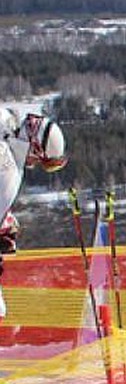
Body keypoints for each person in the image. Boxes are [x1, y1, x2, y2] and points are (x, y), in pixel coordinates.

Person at [1, 108, 67, 322]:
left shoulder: (5, 119)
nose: (34, 164)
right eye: (40, 160)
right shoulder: (9, 176)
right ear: (35, 147)